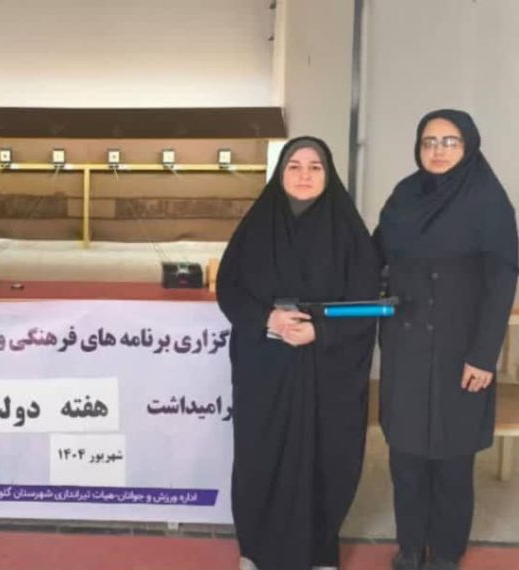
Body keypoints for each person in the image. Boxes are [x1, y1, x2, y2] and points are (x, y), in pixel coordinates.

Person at [217, 137, 380, 570]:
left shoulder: (350, 234)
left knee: (326, 457)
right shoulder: (256, 228)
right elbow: (229, 288)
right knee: (260, 454)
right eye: (294, 166)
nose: (304, 175)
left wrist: (320, 332)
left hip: (327, 368)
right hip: (265, 365)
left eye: (315, 167)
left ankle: (319, 551)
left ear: (329, 175)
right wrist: (267, 318)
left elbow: (366, 306)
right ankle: (255, 550)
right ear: (280, 173)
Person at [376, 110, 518, 570]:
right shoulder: (405, 195)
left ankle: (446, 551)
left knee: (453, 461)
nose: (437, 150)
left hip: (462, 348)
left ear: (469, 146)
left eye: (449, 141)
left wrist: (484, 356)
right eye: (429, 141)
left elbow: (501, 285)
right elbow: (373, 255)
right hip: (406, 344)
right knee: (405, 456)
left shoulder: (489, 202)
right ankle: (410, 546)